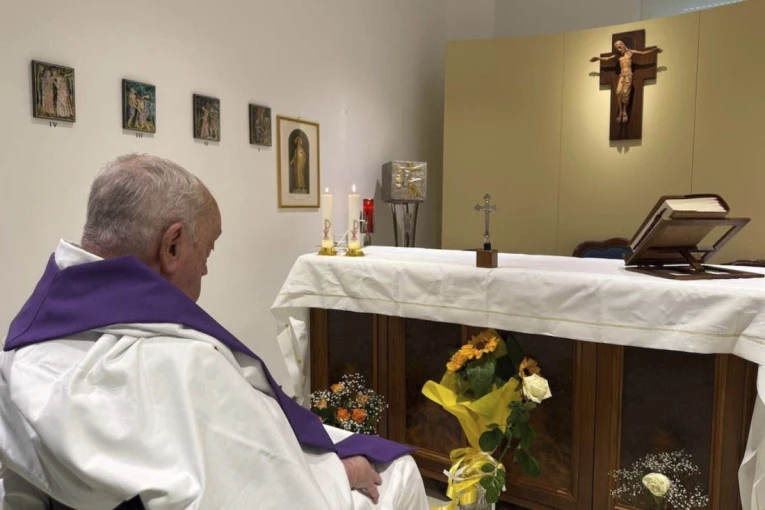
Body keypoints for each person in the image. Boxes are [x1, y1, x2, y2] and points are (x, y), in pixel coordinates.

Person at [0, 154, 428, 509]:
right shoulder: (184, 365)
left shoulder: (25, 345)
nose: (205, 267)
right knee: (400, 473)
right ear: (171, 246)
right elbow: (262, 489)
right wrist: (340, 472)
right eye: (207, 248)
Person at [590, 40, 662, 123]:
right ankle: (620, 111)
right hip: (622, 75)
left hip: (628, 75)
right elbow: (608, 58)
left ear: (623, 44)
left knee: (625, 93)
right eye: (617, 47)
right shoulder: (618, 56)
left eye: (619, 46)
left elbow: (643, 53)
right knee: (618, 92)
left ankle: (624, 111)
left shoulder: (630, 52)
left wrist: (654, 50)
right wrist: (597, 58)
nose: (619, 48)